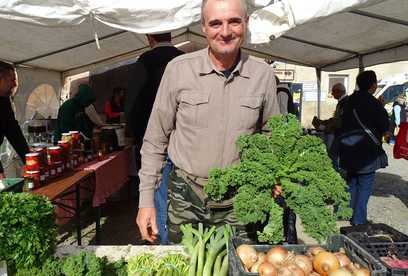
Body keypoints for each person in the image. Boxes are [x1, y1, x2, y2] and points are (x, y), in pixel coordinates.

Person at [136, 0, 280, 243]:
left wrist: (273, 175)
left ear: (246, 23)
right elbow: (155, 141)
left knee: (236, 264)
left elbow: (272, 134)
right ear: (204, 27)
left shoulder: (262, 75)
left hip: (240, 200)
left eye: (234, 21)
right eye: (215, 23)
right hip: (186, 195)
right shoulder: (178, 70)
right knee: (187, 265)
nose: (225, 32)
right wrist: (146, 200)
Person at [125, 33, 184, 244]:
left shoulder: (145, 61)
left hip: (152, 140)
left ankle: (162, 239)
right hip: (180, 143)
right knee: (179, 194)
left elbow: (132, 102)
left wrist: (130, 131)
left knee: (156, 191)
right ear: (171, 36)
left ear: (150, 38)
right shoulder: (183, 59)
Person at [339, 70, 389, 225]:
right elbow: (384, 126)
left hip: (347, 148)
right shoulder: (374, 103)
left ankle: (346, 212)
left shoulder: (347, 101)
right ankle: (359, 220)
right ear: (373, 85)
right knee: (365, 185)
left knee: (351, 182)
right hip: (366, 151)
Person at [312, 83, 349, 167]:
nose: (332, 94)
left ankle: (336, 173)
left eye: (333, 92)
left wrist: (327, 125)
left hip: (341, 133)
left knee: (333, 154)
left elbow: (340, 120)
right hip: (340, 133)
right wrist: (324, 122)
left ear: (339, 92)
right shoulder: (342, 102)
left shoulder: (345, 102)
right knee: (334, 154)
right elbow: (337, 118)